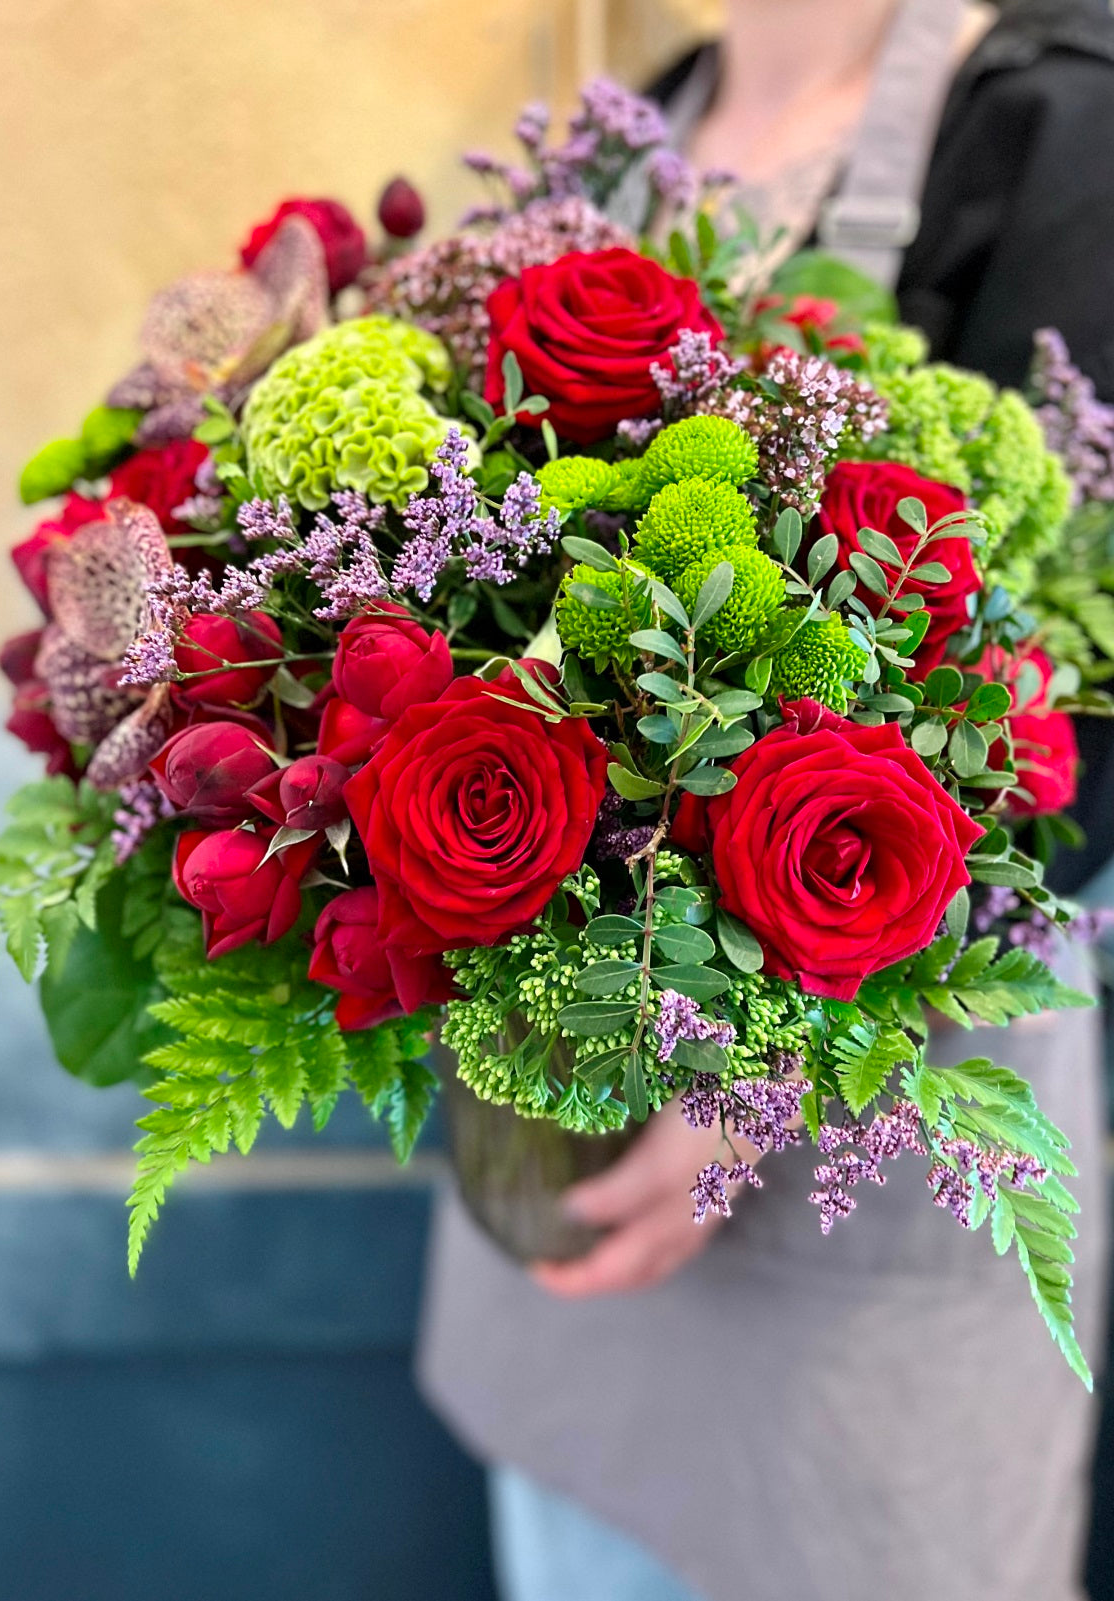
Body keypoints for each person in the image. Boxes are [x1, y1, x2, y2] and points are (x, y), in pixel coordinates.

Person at [418, 3, 1114, 1598]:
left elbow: (1085, 737)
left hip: (863, 1173)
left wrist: (749, 1092)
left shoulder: (1061, 120)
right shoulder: (621, 132)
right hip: (571, 1173)